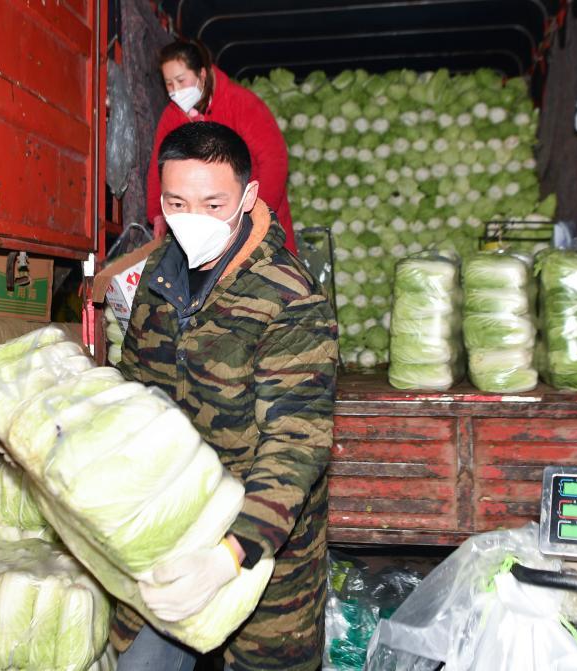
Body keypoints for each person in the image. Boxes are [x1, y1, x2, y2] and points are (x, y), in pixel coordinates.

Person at [113, 121, 337, 671]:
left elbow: (295, 443)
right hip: (170, 526)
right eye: (177, 203)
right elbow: (134, 389)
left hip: (263, 546)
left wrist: (230, 555)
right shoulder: (158, 275)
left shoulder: (290, 298)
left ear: (248, 196)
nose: (194, 219)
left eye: (213, 204)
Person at [147, 39, 297, 254]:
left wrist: (256, 215)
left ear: (202, 74)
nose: (176, 90)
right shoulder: (171, 117)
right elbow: (158, 168)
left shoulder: (241, 103)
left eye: (181, 80)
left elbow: (274, 161)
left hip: (258, 216)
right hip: (201, 227)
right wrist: (158, 214)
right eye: (169, 84)